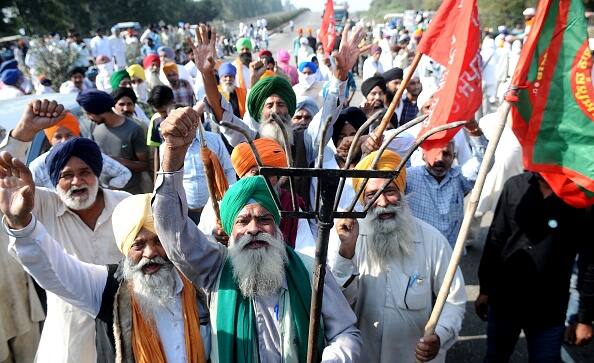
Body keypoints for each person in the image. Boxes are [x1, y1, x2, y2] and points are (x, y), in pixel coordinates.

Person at [152, 107, 363, 360]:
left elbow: (346, 332)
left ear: (277, 228)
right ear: (230, 231)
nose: (254, 229)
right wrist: (173, 155)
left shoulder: (310, 271)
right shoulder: (216, 269)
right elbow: (172, 230)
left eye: (264, 219)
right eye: (243, 221)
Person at [2, 190, 211, 362]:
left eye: (158, 241)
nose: (150, 253)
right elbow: (55, 269)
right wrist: (23, 227)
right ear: (124, 248)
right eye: (138, 244)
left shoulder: (199, 283)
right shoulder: (107, 288)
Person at [0, 99, 130, 363]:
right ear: (55, 180)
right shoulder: (45, 205)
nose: (76, 182)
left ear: (97, 174)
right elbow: (5, 179)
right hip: (68, 340)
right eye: (66, 175)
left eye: (85, 173)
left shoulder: (126, 205)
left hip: (126, 330)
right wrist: (24, 131)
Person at [195, 24, 365, 208]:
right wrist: (206, 74)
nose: (275, 111)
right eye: (269, 105)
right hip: (259, 225)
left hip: (299, 226)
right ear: (261, 113)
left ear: (290, 111)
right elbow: (224, 118)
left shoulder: (304, 141)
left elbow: (325, 119)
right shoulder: (251, 139)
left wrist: (340, 77)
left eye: (281, 104)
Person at [330, 150, 466, 363]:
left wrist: (439, 335)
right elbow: (335, 305)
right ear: (362, 200)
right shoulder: (347, 237)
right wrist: (346, 252)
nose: (383, 202)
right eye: (372, 194)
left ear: (402, 191)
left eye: (390, 191)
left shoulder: (432, 239)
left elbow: (453, 299)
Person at [476, 172, 594, 362]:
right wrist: (485, 288)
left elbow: (589, 263)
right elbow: (496, 239)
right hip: (505, 301)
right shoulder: (515, 186)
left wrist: (584, 318)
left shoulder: (582, 197)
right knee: (495, 357)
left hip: (549, 309)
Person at [404, 119, 488, 248]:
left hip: (449, 256)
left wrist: (474, 131)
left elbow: (483, 162)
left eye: (446, 154)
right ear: (423, 156)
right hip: (417, 254)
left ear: (454, 157)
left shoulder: (459, 178)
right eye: (435, 153)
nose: (440, 159)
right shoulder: (409, 177)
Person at [29, 111, 131, 190]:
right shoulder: (38, 166)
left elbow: (124, 173)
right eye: (58, 137)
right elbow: (35, 198)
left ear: (77, 135)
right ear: (50, 140)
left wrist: (106, 193)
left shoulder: (89, 154)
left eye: (69, 135)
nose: (64, 141)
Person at [77, 89, 150, 194]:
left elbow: (144, 165)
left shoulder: (134, 129)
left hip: (129, 193)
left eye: (88, 113)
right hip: (104, 192)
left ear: (99, 111)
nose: (88, 118)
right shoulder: (94, 127)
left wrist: (117, 161)